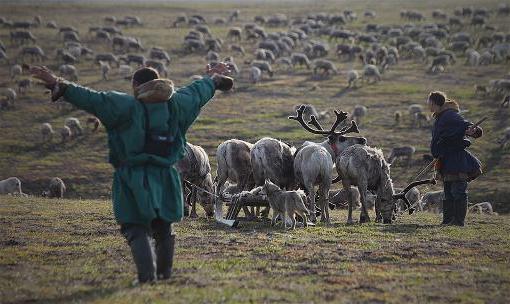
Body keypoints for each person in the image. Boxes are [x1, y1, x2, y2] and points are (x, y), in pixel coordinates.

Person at [30, 63, 233, 283]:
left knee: (136, 227)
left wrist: (57, 83)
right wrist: (214, 79)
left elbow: (91, 98)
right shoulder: (176, 104)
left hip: (132, 178)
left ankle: (147, 278)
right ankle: (164, 275)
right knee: (163, 227)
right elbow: (198, 91)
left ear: (135, 85)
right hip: (166, 175)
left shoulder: (123, 106)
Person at [427, 91, 483, 227]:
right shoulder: (440, 117)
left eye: (429, 103)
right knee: (448, 193)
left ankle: (458, 222)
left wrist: (471, 130)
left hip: (456, 160)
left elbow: (466, 125)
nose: (428, 105)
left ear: (434, 103)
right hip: (446, 159)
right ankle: (448, 221)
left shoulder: (450, 115)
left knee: (458, 191)